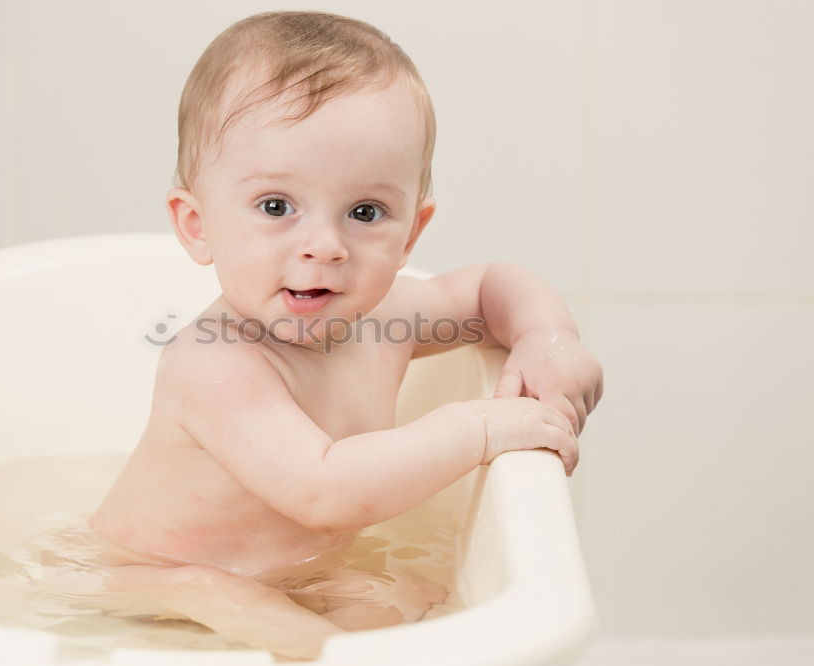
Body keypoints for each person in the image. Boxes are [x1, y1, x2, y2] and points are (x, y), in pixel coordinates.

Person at [42, 10, 603, 660]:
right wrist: (481, 428)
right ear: (197, 225)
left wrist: (546, 335)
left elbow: (487, 289)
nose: (325, 246)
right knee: (251, 608)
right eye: (276, 206)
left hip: (287, 567)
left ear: (410, 234)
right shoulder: (215, 362)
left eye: (365, 212)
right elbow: (324, 489)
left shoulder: (385, 317)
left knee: (415, 600)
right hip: (147, 581)